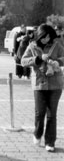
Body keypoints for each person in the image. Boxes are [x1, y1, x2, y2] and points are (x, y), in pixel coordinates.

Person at [21, 24, 64, 152]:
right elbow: (23, 61)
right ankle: (37, 133)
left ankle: (50, 142)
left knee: (52, 114)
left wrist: (58, 62)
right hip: (39, 84)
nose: (47, 39)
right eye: (44, 37)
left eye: (49, 36)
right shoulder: (32, 46)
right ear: (39, 36)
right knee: (40, 113)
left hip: (55, 84)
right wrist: (38, 59)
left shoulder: (57, 45)